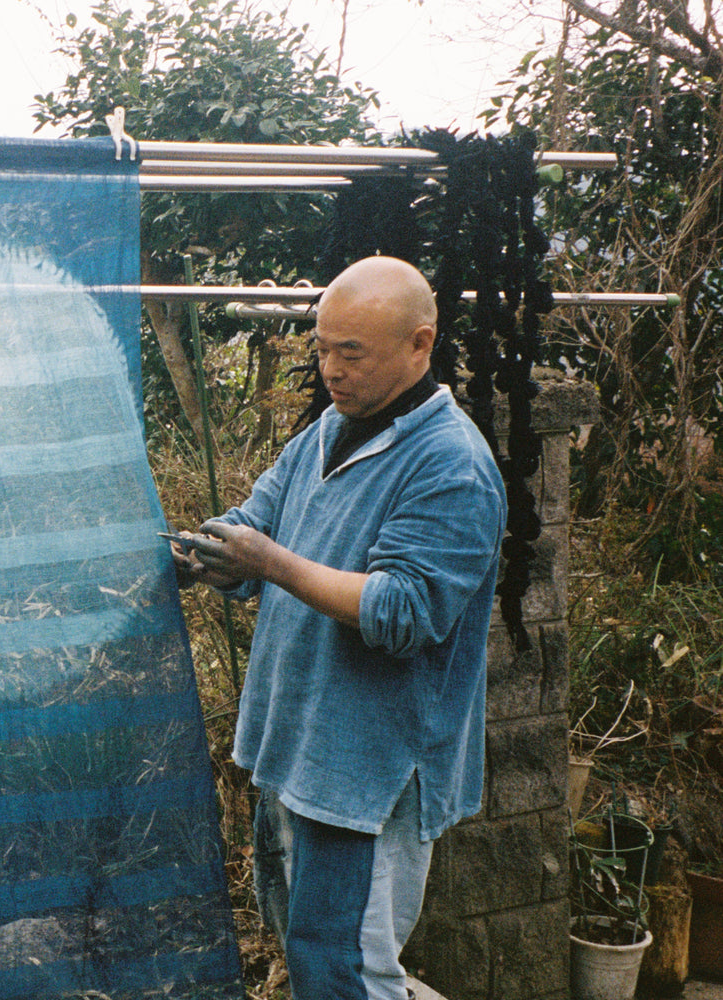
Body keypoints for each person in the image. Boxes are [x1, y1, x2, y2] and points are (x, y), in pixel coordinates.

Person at [171, 255, 506, 1000]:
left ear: (420, 344)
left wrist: (270, 562)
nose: (330, 369)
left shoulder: (451, 463)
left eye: (350, 353)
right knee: (312, 954)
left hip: (367, 767)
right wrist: (211, 553)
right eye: (322, 348)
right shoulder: (326, 432)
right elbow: (257, 523)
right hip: (296, 741)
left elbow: (405, 610)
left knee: (349, 970)